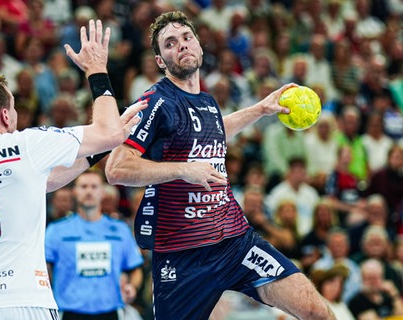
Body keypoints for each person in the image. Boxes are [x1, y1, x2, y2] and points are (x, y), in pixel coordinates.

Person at [105, 11, 333, 320]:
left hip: (234, 243)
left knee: (316, 311)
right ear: (160, 60)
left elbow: (214, 131)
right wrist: (184, 169)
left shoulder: (207, 101)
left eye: (187, 38)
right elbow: (117, 168)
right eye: (170, 43)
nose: (182, 46)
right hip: (182, 255)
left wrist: (261, 109)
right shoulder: (156, 102)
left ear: (199, 45)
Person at [0, 19, 146, 320]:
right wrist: (96, 70)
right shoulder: (25, 144)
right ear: (5, 114)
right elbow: (109, 131)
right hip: (18, 300)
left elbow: (44, 182)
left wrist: (99, 148)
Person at [45, 169, 144, 319]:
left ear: (103, 192)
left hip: (110, 311)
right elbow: (45, 269)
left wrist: (132, 287)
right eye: (83, 187)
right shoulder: (56, 230)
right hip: (69, 312)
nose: (89, 191)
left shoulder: (119, 230)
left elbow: (135, 269)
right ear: (75, 192)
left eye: (94, 186)